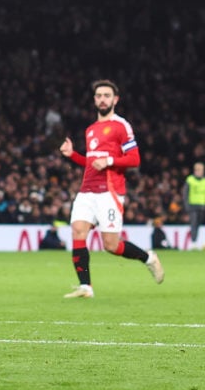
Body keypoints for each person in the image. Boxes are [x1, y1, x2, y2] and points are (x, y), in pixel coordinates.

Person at [58, 79, 164, 299]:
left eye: (106, 95)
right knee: (78, 231)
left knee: (111, 245)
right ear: (94, 100)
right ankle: (85, 287)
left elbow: (134, 159)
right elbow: (91, 162)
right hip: (86, 191)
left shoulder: (121, 126)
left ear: (115, 100)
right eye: (98, 96)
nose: (102, 99)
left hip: (110, 191)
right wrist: (73, 155)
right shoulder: (91, 130)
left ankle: (148, 258)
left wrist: (108, 161)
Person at [184, 161, 205, 249]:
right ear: (195, 171)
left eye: (201, 170)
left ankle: (199, 242)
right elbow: (185, 194)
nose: (200, 172)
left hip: (203, 206)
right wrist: (187, 206)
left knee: (199, 224)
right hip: (193, 206)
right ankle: (193, 243)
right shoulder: (190, 180)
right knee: (194, 224)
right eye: (198, 170)